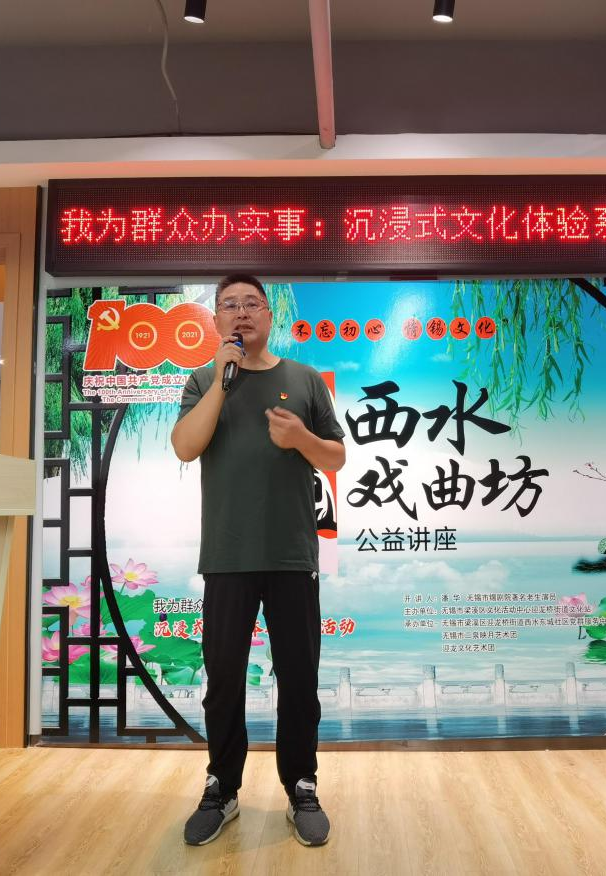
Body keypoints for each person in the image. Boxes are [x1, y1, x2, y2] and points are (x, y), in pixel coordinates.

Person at [171, 274, 346, 848]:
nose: (241, 313)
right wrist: (222, 381)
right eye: (230, 305)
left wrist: (301, 440)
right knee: (223, 679)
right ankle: (222, 788)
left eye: (252, 304)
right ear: (216, 319)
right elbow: (185, 446)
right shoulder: (204, 380)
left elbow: (336, 457)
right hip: (226, 556)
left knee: (298, 677)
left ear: (269, 316)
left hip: (292, 555)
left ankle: (302, 786)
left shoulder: (304, 379)